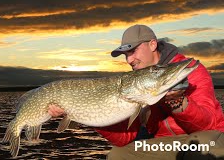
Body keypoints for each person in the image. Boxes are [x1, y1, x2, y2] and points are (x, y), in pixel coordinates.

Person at [48, 24, 224, 159]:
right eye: (126, 54)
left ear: (153, 44)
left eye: (133, 51)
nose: (129, 59)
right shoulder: (137, 84)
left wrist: (179, 103)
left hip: (211, 139)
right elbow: (124, 138)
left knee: (200, 146)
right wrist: (83, 112)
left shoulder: (193, 70)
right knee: (118, 155)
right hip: (165, 145)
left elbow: (208, 126)